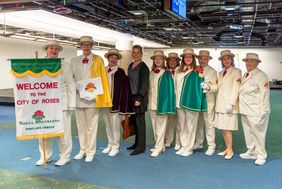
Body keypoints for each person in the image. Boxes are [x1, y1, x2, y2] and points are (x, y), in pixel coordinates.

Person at [69, 36, 111, 163]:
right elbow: (70, 78)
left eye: (88, 45)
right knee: (81, 126)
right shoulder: (73, 60)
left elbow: (102, 78)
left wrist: (95, 92)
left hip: (93, 98)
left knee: (92, 126)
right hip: (78, 97)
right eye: (83, 45)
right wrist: (76, 86)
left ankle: (91, 151)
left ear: (91, 46)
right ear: (80, 46)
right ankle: (82, 150)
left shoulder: (98, 60)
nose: (86, 47)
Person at [36, 40, 75, 166]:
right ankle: (45, 156)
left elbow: (71, 84)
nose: (54, 50)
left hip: (62, 104)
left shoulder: (65, 65)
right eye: (51, 48)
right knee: (43, 132)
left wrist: (72, 103)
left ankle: (65, 156)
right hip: (43, 104)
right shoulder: (37, 64)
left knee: (64, 132)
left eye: (56, 49)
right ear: (46, 50)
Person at [100, 48, 135, 157]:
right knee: (107, 125)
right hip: (104, 103)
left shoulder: (121, 72)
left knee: (114, 126)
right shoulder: (102, 70)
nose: (114, 60)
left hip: (115, 104)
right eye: (111, 57)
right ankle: (110, 144)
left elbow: (125, 90)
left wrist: (124, 106)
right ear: (108, 58)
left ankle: (116, 146)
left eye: (115, 58)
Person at [239, 53, 270, 166]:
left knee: (258, 133)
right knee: (248, 132)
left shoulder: (261, 75)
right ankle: (251, 151)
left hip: (256, 109)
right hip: (245, 108)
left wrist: (264, 109)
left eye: (252, 61)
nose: (249, 63)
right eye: (247, 61)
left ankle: (261, 155)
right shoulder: (246, 74)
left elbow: (265, 93)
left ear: (257, 63)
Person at [175, 48, 207, 157]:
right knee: (182, 125)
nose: (188, 58)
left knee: (191, 125)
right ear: (183, 58)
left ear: (193, 59)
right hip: (179, 102)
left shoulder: (197, 70)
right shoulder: (178, 70)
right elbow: (176, 87)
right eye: (186, 57)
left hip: (190, 102)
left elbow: (200, 86)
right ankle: (184, 146)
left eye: (190, 57)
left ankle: (189, 148)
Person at [215, 50, 242, 160]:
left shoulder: (236, 71)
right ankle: (227, 148)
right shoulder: (221, 73)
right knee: (223, 128)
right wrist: (207, 87)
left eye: (228, 58)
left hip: (228, 105)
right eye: (224, 59)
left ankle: (230, 149)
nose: (226, 61)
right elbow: (217, 87)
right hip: (220, 104)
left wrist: (231, 103)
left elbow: (236, 88)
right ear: (222, 61)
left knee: (228, 129)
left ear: (232, 60)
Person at [148, 50, 175, 157]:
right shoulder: (151, 73)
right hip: (152, 103)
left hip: (161, 104)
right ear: (154, 61)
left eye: (160, 58)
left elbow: (170, 91)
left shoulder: (167, 74)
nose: (158, 60)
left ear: (163, 60)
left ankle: (158, 147)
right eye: (156, 58)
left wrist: (167, 104)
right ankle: (160, 145)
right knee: (155, 126)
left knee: (161, 126)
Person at [127, 45, 149, 156]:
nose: (135, 54)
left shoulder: (143, 67)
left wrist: (139, 98)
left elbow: (145, 85)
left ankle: (141, 147)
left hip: (139, 97)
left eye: (138, 52)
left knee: (140, 122)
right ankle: (136, 143)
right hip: (131, 96)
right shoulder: (130, 65)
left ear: (141, 54)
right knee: (134, 122)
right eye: (134, 52)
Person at [194, 50, 218, 156]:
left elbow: (216, 87)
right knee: (198, 123)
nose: (202, 60)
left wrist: (209, 87)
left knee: (209, 124)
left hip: (208, 101)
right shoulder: (195, 70)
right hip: (197, 102)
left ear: (208, 59)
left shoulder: (212, 71)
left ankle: (211, 146)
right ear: (198, 59)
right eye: (201, 58)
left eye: (205, 59)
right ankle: (199, 143)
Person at [164, 52, 181, 150]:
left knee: (179, 122)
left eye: (175, 60)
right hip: (168, 100)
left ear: (178, 61)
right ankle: (168, 141)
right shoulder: (165, 71)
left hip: (178, 99)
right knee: (169, 121)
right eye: (170, 60)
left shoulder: (180, 70)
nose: (172, 62)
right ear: (168, 61)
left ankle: (178, 142)